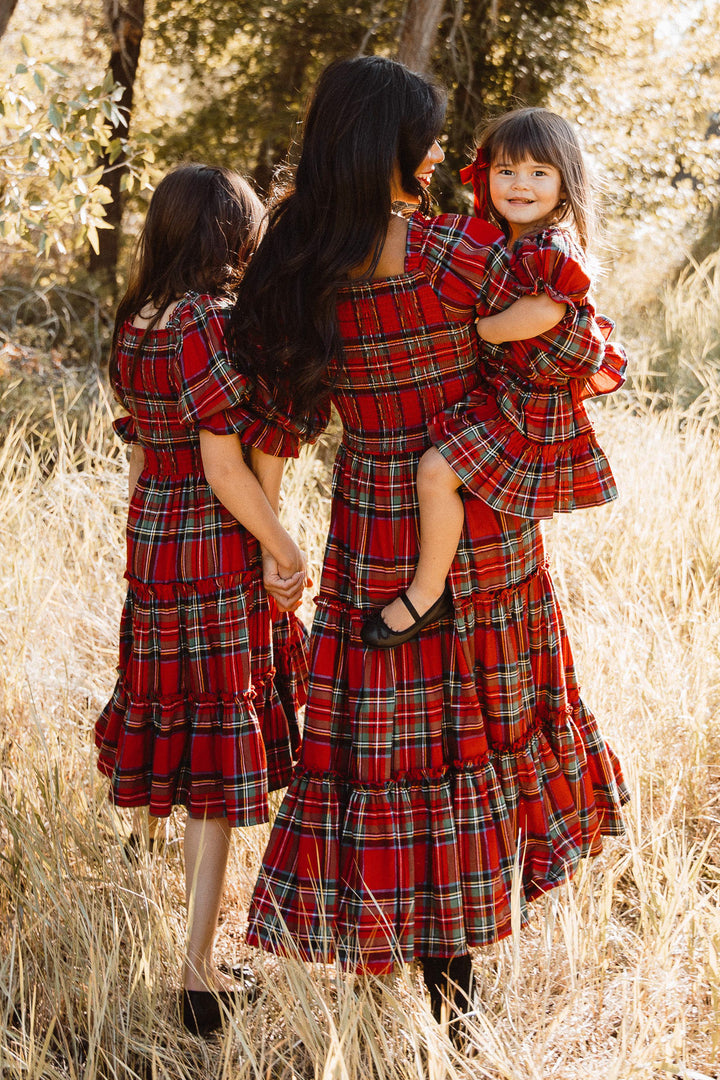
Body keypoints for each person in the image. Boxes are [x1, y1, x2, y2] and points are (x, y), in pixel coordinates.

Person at [227, 56, 628, 1043]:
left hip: (372, 522)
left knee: (383, 751)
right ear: (392, 147)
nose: (450, 154)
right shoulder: (459, 254)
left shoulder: (297, 267)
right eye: (434, 137)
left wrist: (278, 549)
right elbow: (588, 347)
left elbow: (276, 420)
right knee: (474, 736)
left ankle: (376, 1000)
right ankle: (458, 1022)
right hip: (478, 523)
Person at [94, 163, 309, 1036]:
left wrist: (144, 548)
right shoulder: (205, 324)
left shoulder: (137, 319)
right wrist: (285, 549)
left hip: (155, 540)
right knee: (218, 769)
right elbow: (225, 469)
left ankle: (193, 961)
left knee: (188, 745)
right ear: (233, 234)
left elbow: (146, 455)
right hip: (212, 547)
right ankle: (195, 977)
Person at [366, 106, 627, 646]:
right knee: (445, 469)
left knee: (437, 471)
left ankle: (426, 591)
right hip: (515, 397)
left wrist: (484, 330)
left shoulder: (548, 245)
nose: (520, 184)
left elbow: (546, 311)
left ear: (565, 182)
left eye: (538, 173)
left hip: (531, 409)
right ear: (485, 175)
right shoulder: (510, 240)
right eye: (506, 170)